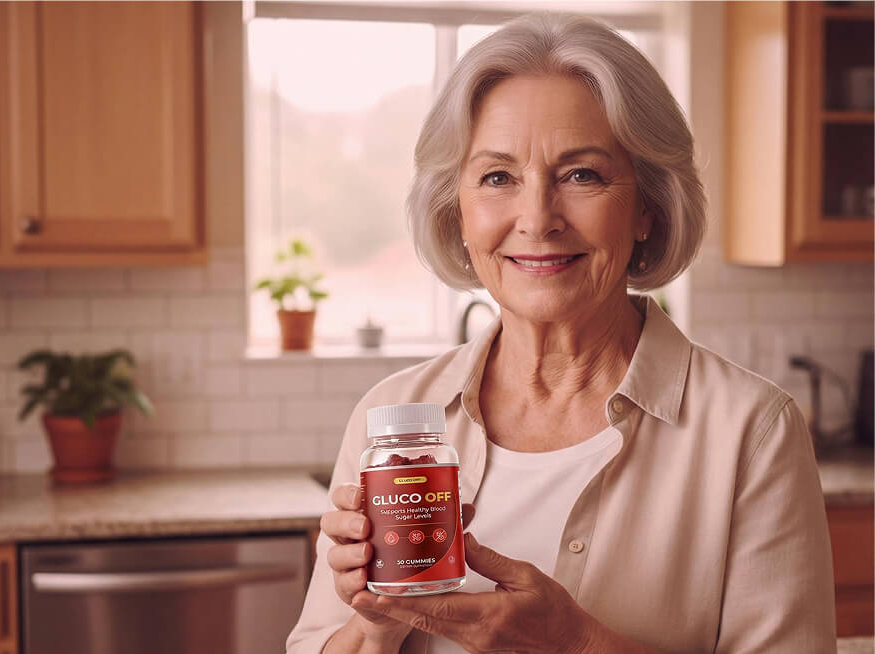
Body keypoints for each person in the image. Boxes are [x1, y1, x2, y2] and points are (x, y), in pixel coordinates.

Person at [287, 12, 836, 654]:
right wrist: (376, 620)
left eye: (582, 175)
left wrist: (577, 644)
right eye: (498, 178)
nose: (537, 218)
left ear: (647, 209)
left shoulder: (752, 432)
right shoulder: (391, 422)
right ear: (456, 210)